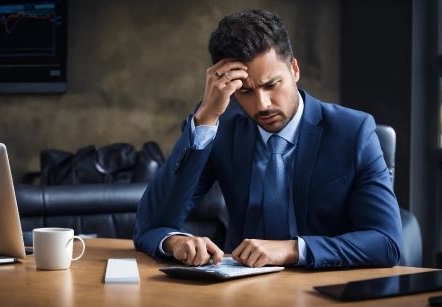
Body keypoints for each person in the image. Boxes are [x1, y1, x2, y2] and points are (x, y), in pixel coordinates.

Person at [133, 9, 402, 269]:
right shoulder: (222, 130)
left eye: (272, 85)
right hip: (239, 289)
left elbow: (386, 242)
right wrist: (205, 118)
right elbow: (151, 224)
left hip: (323, 290)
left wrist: (292, 249)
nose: (262, 105)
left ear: (294, 70)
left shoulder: (352, 131)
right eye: (246, 91)